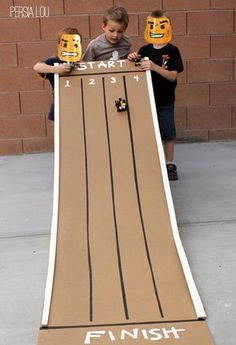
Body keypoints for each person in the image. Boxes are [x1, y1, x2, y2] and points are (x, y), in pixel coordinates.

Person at [128, 10, 184, 181]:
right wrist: (132, 58)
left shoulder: (173, 50)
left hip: (165, 101)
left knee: (167, 133)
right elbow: (135, 64)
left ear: (168, 28)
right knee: (150, 133)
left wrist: (154, 67)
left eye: (160, 26)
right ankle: (153, 163)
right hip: (147, 100)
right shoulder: (145, 49)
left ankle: (169, 164)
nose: (156, 29)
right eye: (152, 25)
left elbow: (173, 75)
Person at [33, 27, 82, 121]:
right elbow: (37, 67)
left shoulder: (82, 61)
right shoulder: (55, 61)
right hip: (60, 106)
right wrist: (57, 69)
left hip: (80, 105)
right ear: (59, 46)